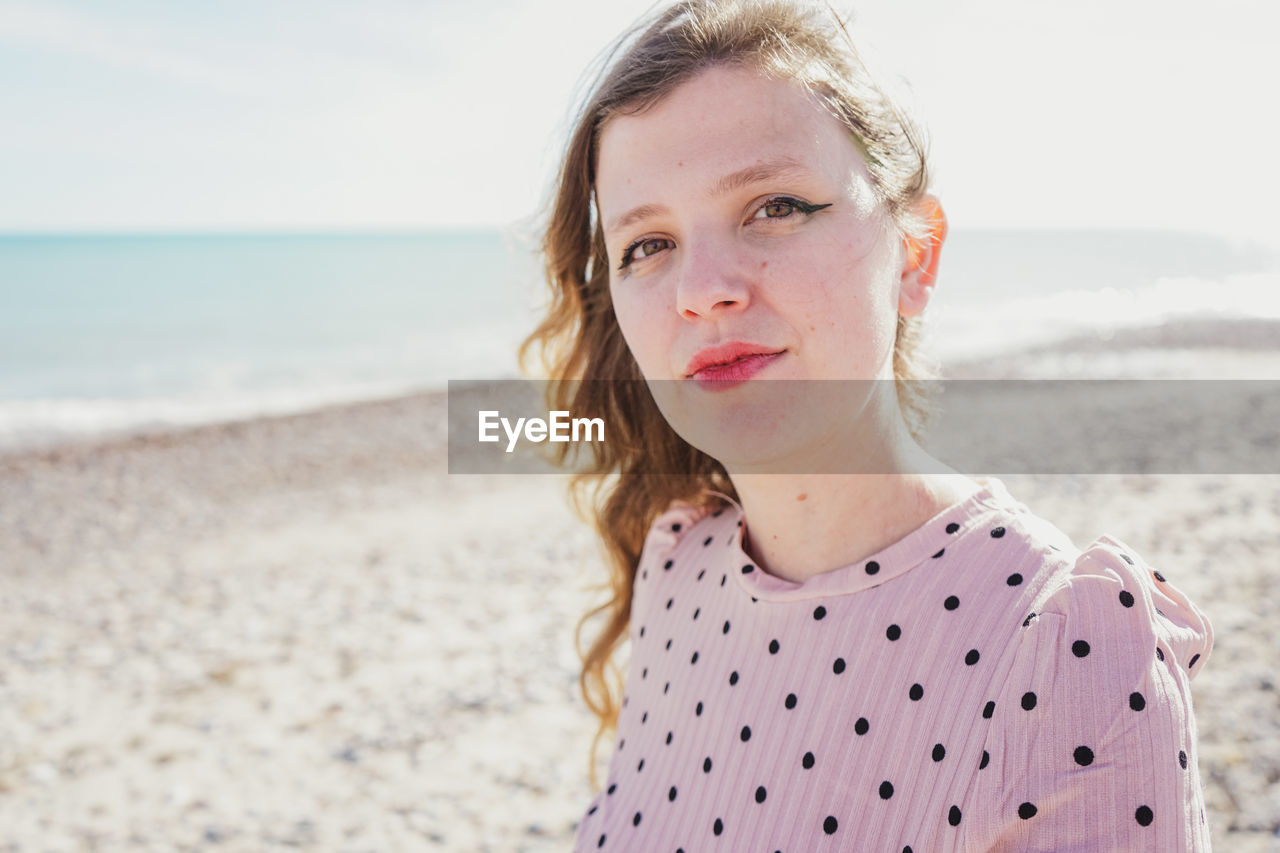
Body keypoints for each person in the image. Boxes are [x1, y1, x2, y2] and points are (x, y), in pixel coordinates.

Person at [519, 0, 1214, 849]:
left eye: (773, 205)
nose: (702, 287)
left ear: (915, 257)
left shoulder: (1073, 652)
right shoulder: (676, 568)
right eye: (647, 245)